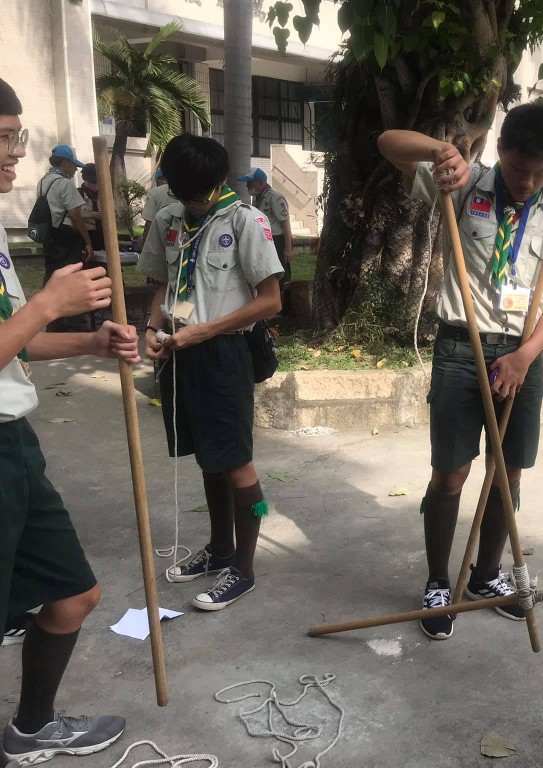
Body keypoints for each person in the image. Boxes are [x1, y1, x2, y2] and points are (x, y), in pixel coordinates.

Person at [378, 102, 543, 641]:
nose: (528, 181)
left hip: (522, 352)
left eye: (541, 172)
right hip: (458, 347)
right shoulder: (461, 183)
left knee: (508, 469)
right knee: (450, 472)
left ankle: (487, 575)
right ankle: (436, 583)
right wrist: (438, 149)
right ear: (501, 152)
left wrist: (525, 356)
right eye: (520, 168)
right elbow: (387, 143)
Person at [0, 77, 132, 764]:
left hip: (14, 440)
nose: (12, 154)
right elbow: (24, 324)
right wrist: (52, 304)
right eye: (2, 138)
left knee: (73, 594)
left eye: (15, 138)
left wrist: (89, 341)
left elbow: (10, 338)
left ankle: (29, 729)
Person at [138, 134, 283, 611]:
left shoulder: (246, 221)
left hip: (224, 352)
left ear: (219, 182)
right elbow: (161, 284)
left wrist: (203, 332)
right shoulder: (168, 219)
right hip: (179, 351)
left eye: (200, 195)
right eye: (184, 195)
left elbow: (269, 301)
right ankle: (220, 548)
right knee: (206, 455)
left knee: (237, 458)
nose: (193, 204)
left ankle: (244, 567)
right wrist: (151, 330)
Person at [37, 144, 97, 332]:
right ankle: (74, 323)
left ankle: (53, 323)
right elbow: (75, 216)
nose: (76, 169)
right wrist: (88, 242)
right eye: (73, 164)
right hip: (67, 238)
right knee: (73, 278)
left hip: (51, 237)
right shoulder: (64, 184)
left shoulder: (44, 181)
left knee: (52, 277)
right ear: (64, 163)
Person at [238, 167, 292, 293]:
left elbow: (285, 222)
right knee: (268, 272)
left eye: (250, 183)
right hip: (265, 240)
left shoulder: (275, 197)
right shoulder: (259, 197)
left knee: (281, 273)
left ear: (261, 183)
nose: (247, 186)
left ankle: (285, 305)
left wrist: (288, 248)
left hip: (277, 240)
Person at [139, 168, 172, 252]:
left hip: (159, 237)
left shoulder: (154, 192)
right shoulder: (183, 191)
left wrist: (144, 241)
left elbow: (149, 221)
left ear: (159, 180)